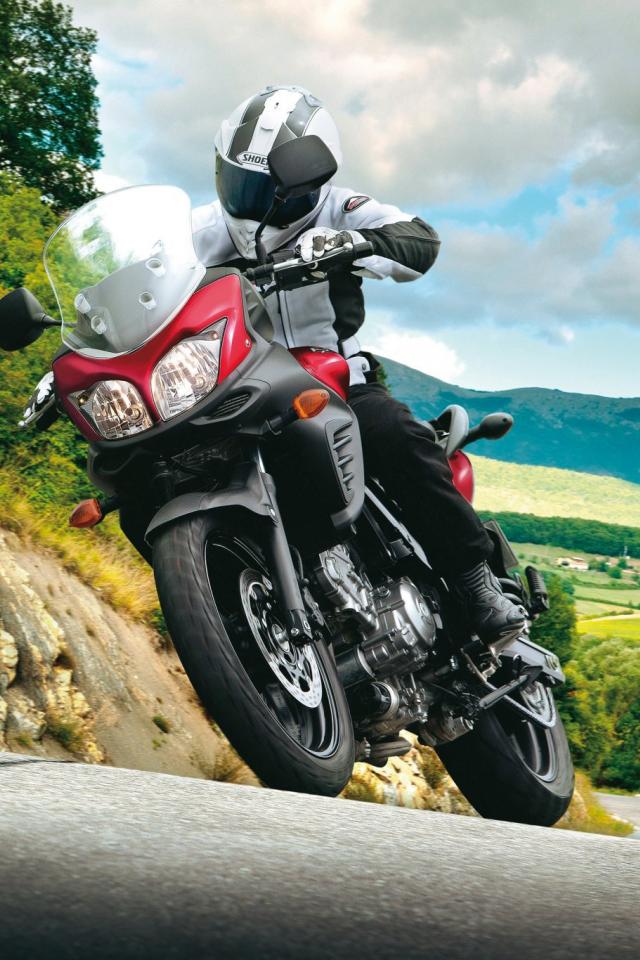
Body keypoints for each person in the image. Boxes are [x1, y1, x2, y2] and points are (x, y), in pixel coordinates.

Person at [192, 84, 526, 646]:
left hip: (332, 382)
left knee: (394, 434)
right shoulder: (198, 233)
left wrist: (352, 243)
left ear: (304, 185)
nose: (250, 200)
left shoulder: (338, 208)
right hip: (237, 390)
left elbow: (419, 241)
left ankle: (476, 585)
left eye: (264, 189)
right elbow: (143, 285)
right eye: (241, 182)